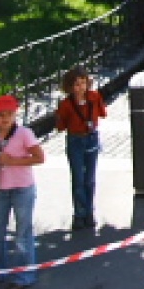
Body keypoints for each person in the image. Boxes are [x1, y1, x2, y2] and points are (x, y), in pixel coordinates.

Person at [0, 94, 44, 289]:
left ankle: (24, 276)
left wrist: (12, 161)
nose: (4, 119)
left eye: (8, 114)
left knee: (22, 234)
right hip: (2, 188)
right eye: (0, 115)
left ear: (15, 114)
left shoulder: (25, 133)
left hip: (23, 189)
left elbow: (39, 157)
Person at [55, 67, 105, 231]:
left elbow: (103, 112)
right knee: (78, 178)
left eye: (83, 83)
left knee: (89, 179)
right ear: (70, 87)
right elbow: (61, 126)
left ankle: (89, 212)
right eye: (76, 84)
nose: (80, 87)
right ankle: (79, 213)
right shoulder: (66, 104)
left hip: (91, 138)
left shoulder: (94, 97)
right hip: (75, 139)